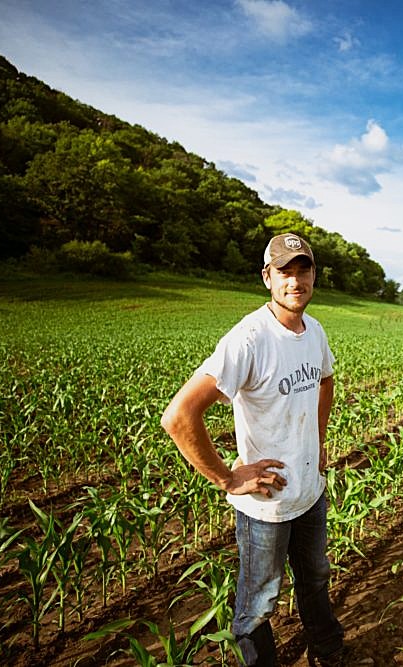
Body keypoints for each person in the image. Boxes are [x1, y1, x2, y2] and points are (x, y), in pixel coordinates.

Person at [161, 233, 345, 666]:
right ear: (267, 277)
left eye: (303, 270)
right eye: (285, 271)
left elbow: (325, 380)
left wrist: (318, 442)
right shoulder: (248, 339)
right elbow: (179, 416)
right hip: (266, 504)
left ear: (314, 275)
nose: (295, 280)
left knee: (316, 579)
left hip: (310, 492)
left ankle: (327, 651)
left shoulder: (314, 331)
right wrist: (228, 477)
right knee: (260, 602)